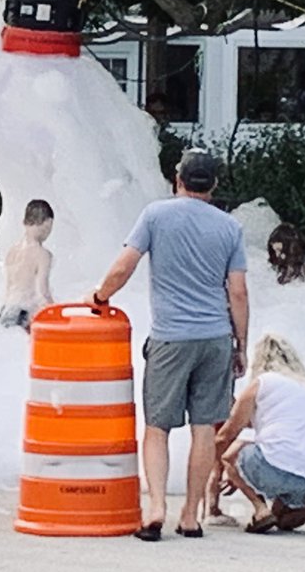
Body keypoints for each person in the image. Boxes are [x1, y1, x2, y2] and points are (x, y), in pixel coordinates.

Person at [85, 148, 249, 541]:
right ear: (213, 185)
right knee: (204, 429)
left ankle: (156, 508)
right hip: (214, 339)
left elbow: (124, 266)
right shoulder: (230, 228)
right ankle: (190, 515)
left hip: (171, 339)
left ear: (177, 180)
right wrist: (240, 345)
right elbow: (238, 293)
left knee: (157, 426)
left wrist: (100, 297)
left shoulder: (155, 215)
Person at [212, 334, 305, 537]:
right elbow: (279, 433)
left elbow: (226, 435)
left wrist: (220, 472)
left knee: (234, 453)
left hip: (278, 468)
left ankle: (259, 509)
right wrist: (240, 475)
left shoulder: (262, 383)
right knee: (282, 521)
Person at [0, 199, 54, 331]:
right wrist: (54, 311)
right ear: (47, 223)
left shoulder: (12, 252)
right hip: (23, 315)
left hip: (4, 312)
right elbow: (43, 291)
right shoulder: (42, 254)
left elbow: (8, 287)